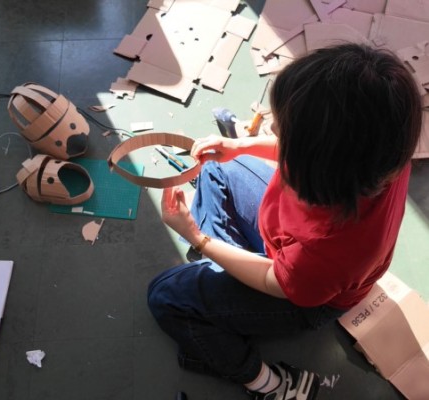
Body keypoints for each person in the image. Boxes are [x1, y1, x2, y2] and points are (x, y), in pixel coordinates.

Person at [147, 43, 423, 400]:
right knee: (217, 169)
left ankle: (270, 384)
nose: (272, 127)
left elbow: (273, 279)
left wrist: (198, 238)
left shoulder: (330, 252)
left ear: (315, 168)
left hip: (303, 295)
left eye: (282, 132)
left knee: (166, 297)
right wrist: (240, 147)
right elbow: (310, 147)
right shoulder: (381, 154)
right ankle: (223, 281)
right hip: (293, 250)